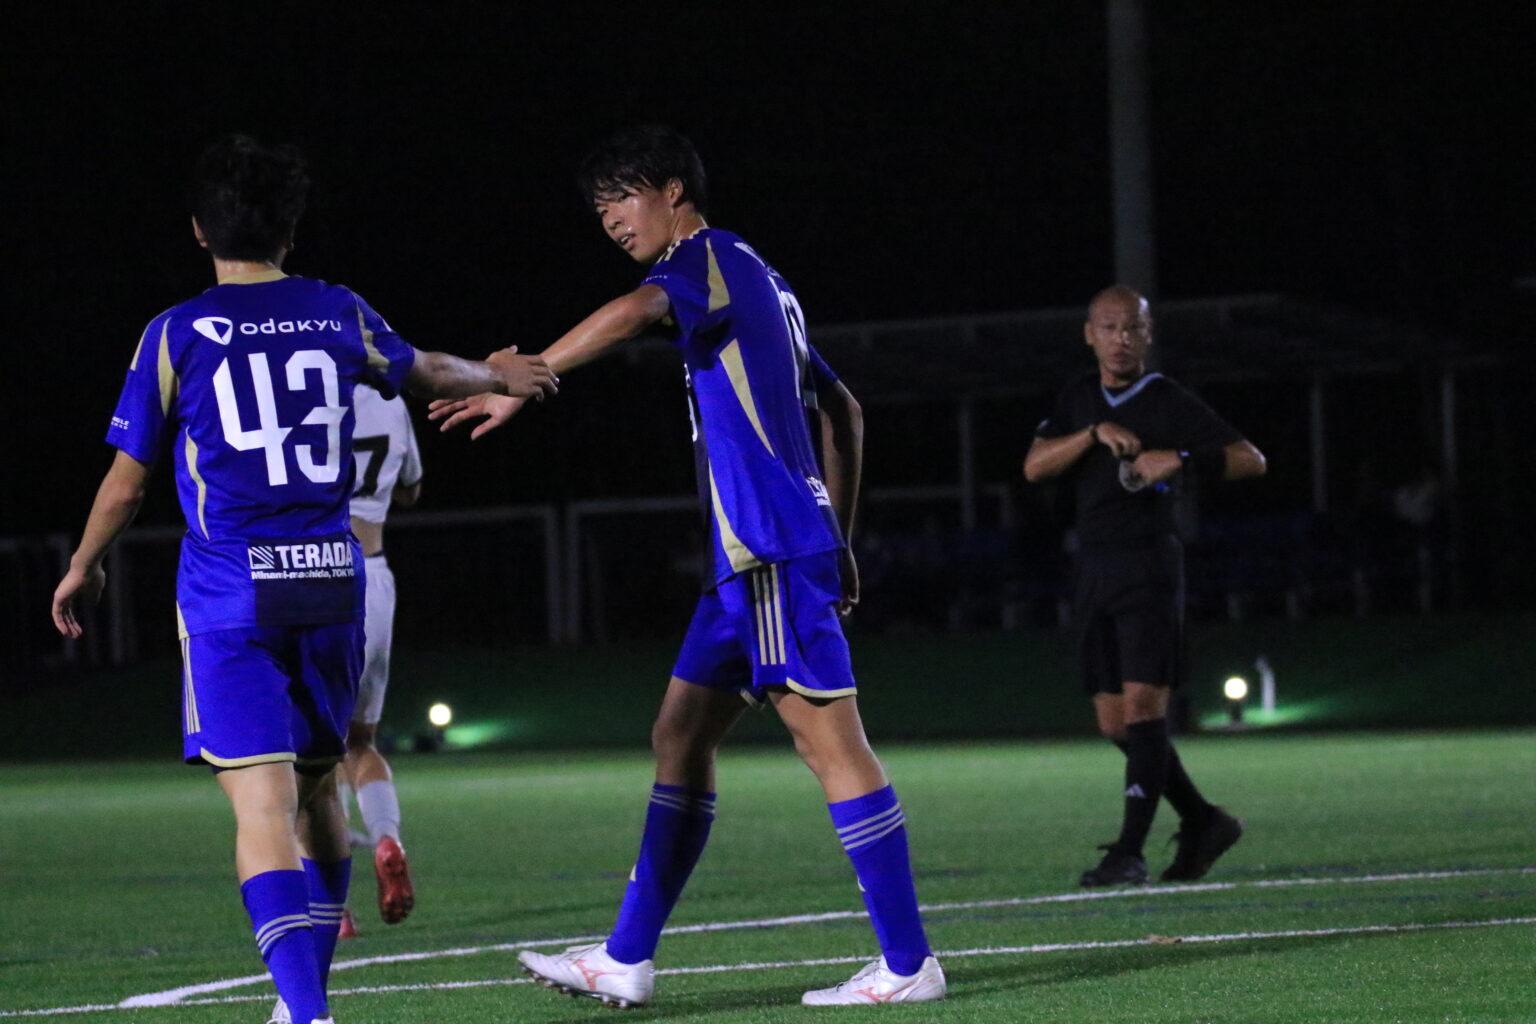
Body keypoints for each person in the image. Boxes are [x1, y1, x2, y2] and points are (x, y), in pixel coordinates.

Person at [430, 124, 946, 1008]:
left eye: (621, 199)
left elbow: (638, 311)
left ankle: (908, 963)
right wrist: (840, 536)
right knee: (679, 734)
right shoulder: (760, 280)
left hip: (768, 544)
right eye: (599, 210)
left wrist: (519, 376)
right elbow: (846, 412)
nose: (611, 221)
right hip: (753, 556)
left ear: (674, 190)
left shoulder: (707, 257)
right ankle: (625, 957)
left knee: (831, 744)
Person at [50, 134, 556, 1024]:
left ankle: (306, 1010)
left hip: (233, 595)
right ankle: (304, 1003)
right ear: (290, 229)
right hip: (331, 583)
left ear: (199, 228)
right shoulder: (336, 310)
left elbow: (127, 483)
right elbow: (424, 371)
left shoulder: (176, 332)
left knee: (263, 804)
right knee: (321, 788)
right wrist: (498, 373)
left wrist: (83, 565)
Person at [1023, 285, 1266, 887]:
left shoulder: (1166, 399)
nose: (1121, 339)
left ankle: (1129, 853)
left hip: (1149, 566)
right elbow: (1034, 465)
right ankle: (1205, 821)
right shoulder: (1079, 398)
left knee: (1142, 710)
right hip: (1094, 567)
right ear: (1090, 335)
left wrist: (1180, 456)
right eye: (1109, 328)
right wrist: (1091, 434)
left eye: (1133, 328)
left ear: (1149, 335)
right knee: (1114, 724)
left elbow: (1251, 458)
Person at [334, 384, 424, 938]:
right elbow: (411, 490)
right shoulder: (391, 400)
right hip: (374, 577)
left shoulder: (301, 388)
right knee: (359, 742)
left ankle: (333, 910)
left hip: (314, 575)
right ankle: (387, 838)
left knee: (307, 754)